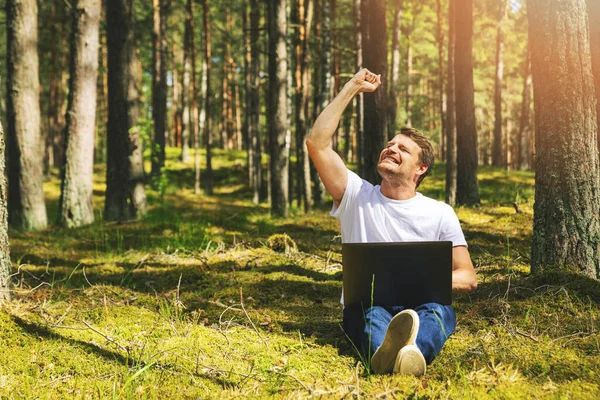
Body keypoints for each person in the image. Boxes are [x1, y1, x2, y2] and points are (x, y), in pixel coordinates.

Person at [305, 68, 477, 377]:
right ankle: (406, 361)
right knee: (371, 318)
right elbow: (317, 143)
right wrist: (352, 88)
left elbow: (467, 276)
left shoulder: (440, 212)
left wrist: (420, 281)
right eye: (389, 144)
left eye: (402, 148)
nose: (391, 149)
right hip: (371, 306)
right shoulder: (355, 195)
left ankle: (396, 357)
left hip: (423, 305)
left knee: (438, 312)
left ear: (420, 167)